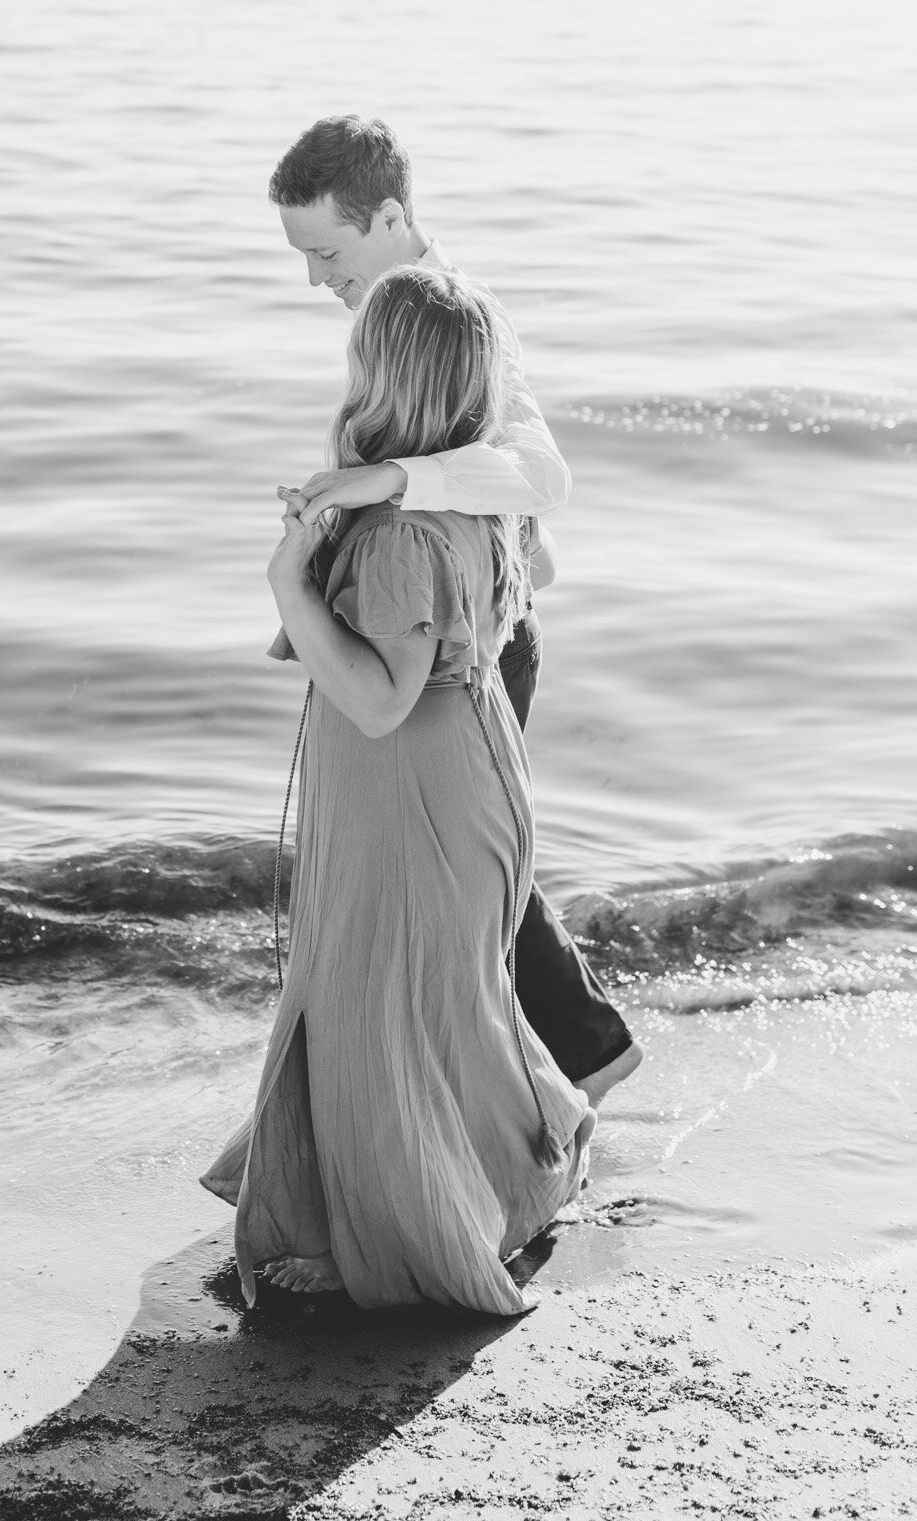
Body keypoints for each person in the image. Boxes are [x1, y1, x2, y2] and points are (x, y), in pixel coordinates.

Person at [201, 264, 596, 1313]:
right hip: (468, 772)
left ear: (380, 378)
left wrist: (292, 581)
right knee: (442, 1004)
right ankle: (497, 1177)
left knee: (380, 1010)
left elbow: (378, 700)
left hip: (413, 788)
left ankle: (392, 1233)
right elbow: (534, 576)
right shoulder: (463, 499)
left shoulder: (397, 529)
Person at [267, 115, 640, 1105]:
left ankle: (571, 1059)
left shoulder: (464, 315)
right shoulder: (393, 309)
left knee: (458, 861)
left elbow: (542, 473)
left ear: (390, 216)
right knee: (461, 857)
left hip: (481, 635)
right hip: (444, 608)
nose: (317, 279)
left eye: (327, 252)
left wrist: (385, 478)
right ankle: (558, 1058)